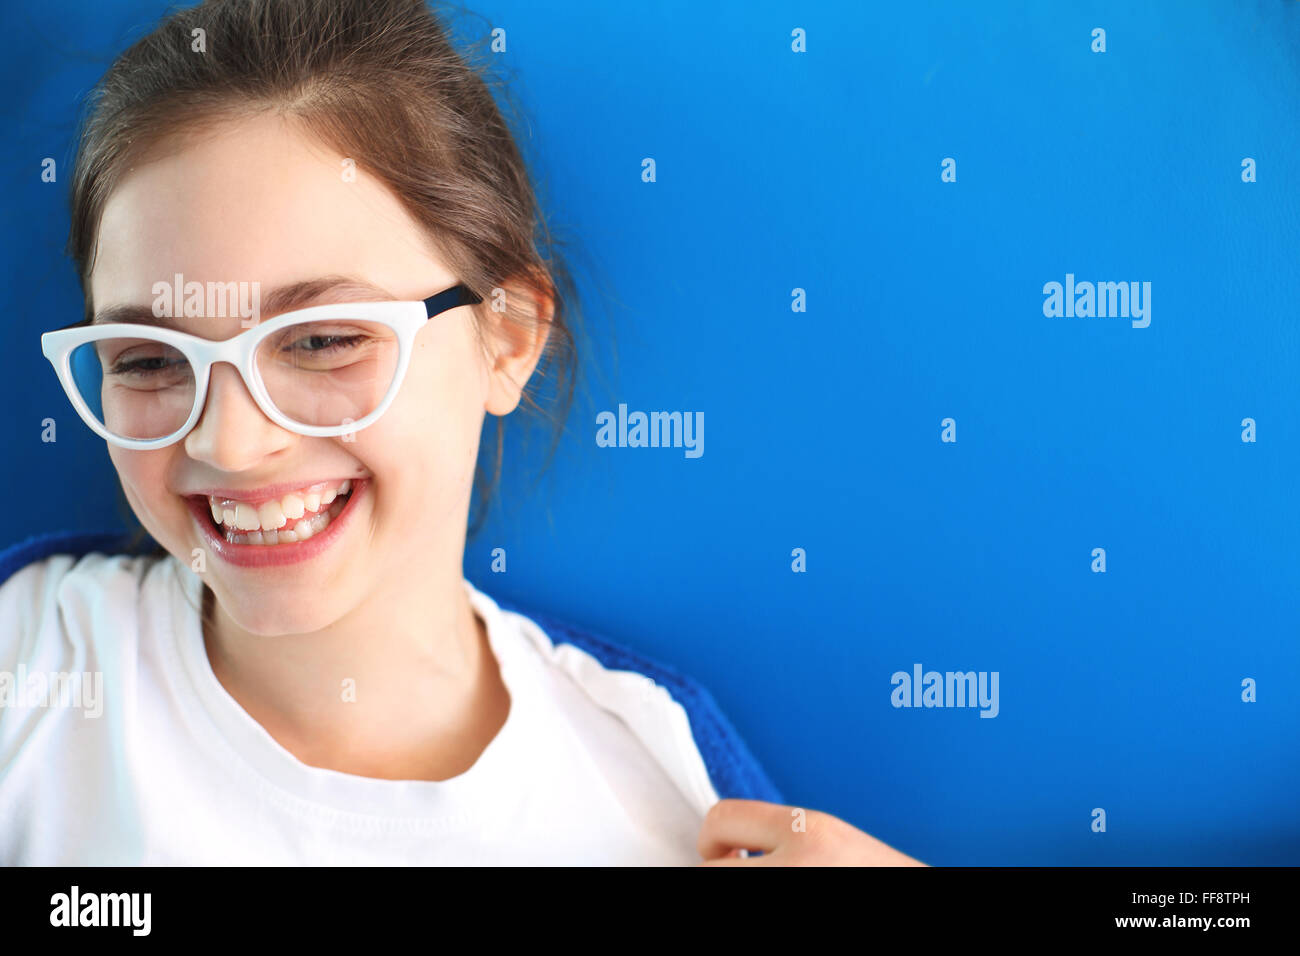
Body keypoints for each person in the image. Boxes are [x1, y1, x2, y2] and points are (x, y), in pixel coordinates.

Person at [0, 0, 922, 866]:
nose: (232, 444)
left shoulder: (661, 781)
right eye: (150, 360)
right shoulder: (28, 667)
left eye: (324, 340)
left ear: (509, 338)